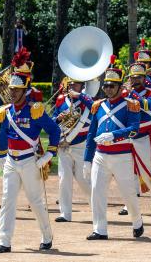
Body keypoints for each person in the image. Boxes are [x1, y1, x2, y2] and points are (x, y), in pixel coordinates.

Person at [0, 68, 60, 253]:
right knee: (7, 200)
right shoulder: (6, 111)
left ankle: (46, 237)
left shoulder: (35, 110)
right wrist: (1, 154)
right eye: (11, 89)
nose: (12, 92)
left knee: (36, 201)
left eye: (16, 89)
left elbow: (55, 131)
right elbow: (4, 135)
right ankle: (3, 241)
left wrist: (49, 154)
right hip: (11, 161)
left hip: (30, 160)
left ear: (25, 91)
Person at [83, 65, 145, 240]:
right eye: (106, 86)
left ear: (120, 87)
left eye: (112, 86)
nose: (108, 89)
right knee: (97, 192)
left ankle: (137, 220)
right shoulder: (98, 106)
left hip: (122, 156)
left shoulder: (131, 105)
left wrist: (114, 135)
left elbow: (134, 129)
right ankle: (99, 229)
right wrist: (87, 159)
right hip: (101, 156)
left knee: (128, 193)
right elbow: (91, 133)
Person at [121, 63, 151, 215]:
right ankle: (128, 204)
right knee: (127, 172)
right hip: (128, 136)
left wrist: (133, 94)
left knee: (146, 171)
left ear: (144, 78)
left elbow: (149, 107)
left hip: (144, 136)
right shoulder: (124, 92)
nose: (135, 80)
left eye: (138, 77)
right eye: (132, 77)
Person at [53, 77, 94, 222]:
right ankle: (65, 213)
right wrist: (58, 118)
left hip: (81, 145)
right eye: (69, 83)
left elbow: (95, 107)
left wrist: (81, 96)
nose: (71, 86)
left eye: (75, 83)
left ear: (81, 85)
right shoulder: (60, 100)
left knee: (84, 180)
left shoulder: (87, 99)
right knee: (64, 179)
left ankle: (96, 207)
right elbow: (53, 122)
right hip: (63, 145)